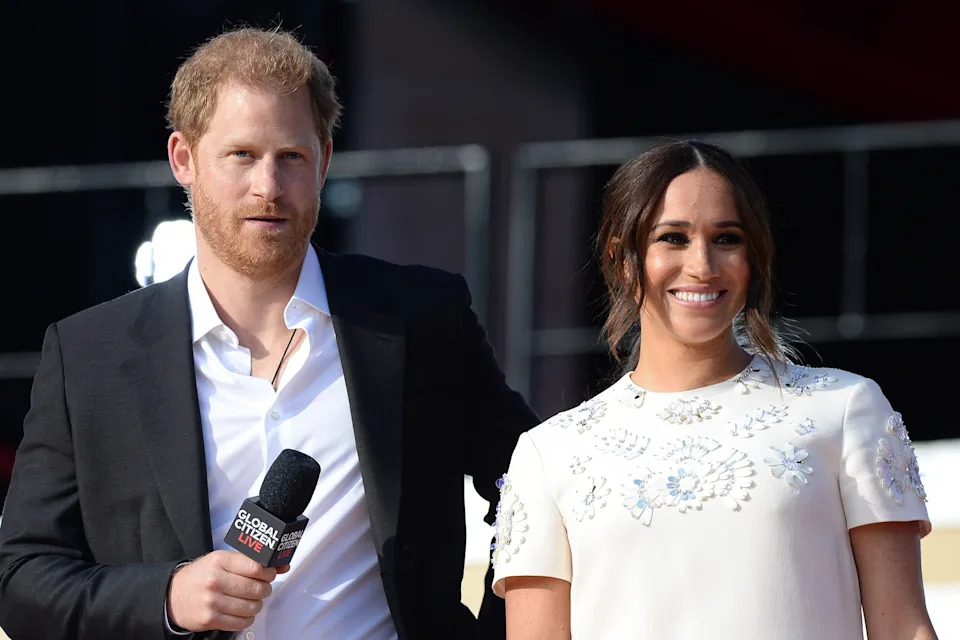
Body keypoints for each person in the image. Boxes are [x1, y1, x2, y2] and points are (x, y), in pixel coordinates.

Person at [0, 27, 537, 640]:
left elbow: (534, 485)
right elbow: (21, 579)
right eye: (242, 155)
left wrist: (507, 628)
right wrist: (167, 598)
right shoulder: (89, 357)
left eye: (291, 157)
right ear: (183, 159)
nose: (269, 187)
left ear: (324, 161)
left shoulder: (421, 319)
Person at [491, 141, 937, 639]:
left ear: (754, 257)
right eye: (672, 238)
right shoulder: (550, 453)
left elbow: (904, 628)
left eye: (726, 238)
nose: (702, 265)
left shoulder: (845, 410)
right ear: (622, 259)